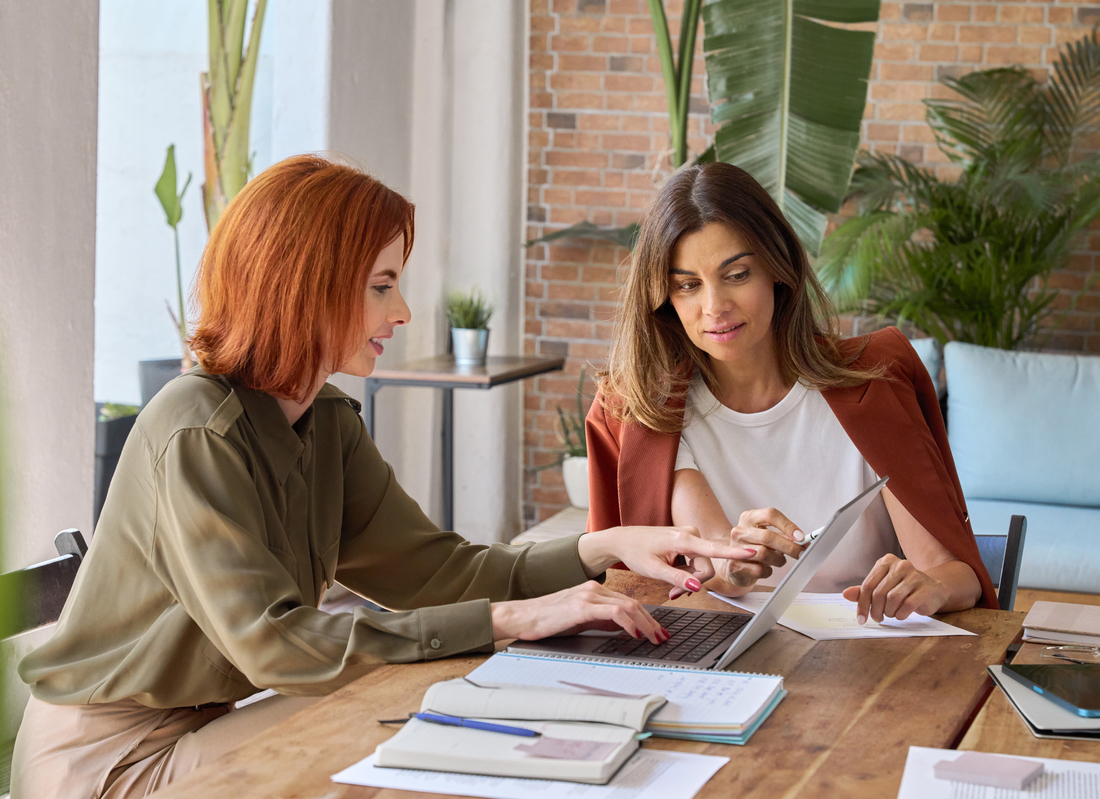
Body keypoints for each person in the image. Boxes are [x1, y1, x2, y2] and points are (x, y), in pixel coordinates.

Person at [12, 155, 755, 798]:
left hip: (198, 730)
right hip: (108, 763)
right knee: (416, 701)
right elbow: (275, 646)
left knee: (431, 690)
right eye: (381, 285)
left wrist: (604, 546)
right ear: (303, 284)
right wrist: (505, 621)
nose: (401, 311)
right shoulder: (197, 431)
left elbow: (438, 573)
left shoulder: (326, 422)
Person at [586, 162, 997, 627]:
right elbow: (715, 566)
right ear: (664, 297)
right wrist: (736, 570)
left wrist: (931, 586)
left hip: (871, 661)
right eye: (687, 285)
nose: (714, 306)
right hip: (728, 662)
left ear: (778, 271)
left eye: (737, 274)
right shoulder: (646, 413)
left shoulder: (873, 382)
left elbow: (956, 573)